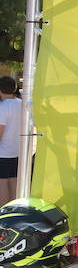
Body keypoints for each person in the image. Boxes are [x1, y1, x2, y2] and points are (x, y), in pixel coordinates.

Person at [0, 76, 22, 207]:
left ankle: (2, 216)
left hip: (3, 152)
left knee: (2, 184)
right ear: (14, 89)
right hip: (18, 151)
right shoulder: (22, 103)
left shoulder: (3, 107)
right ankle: (13, 213)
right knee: (14, 183)